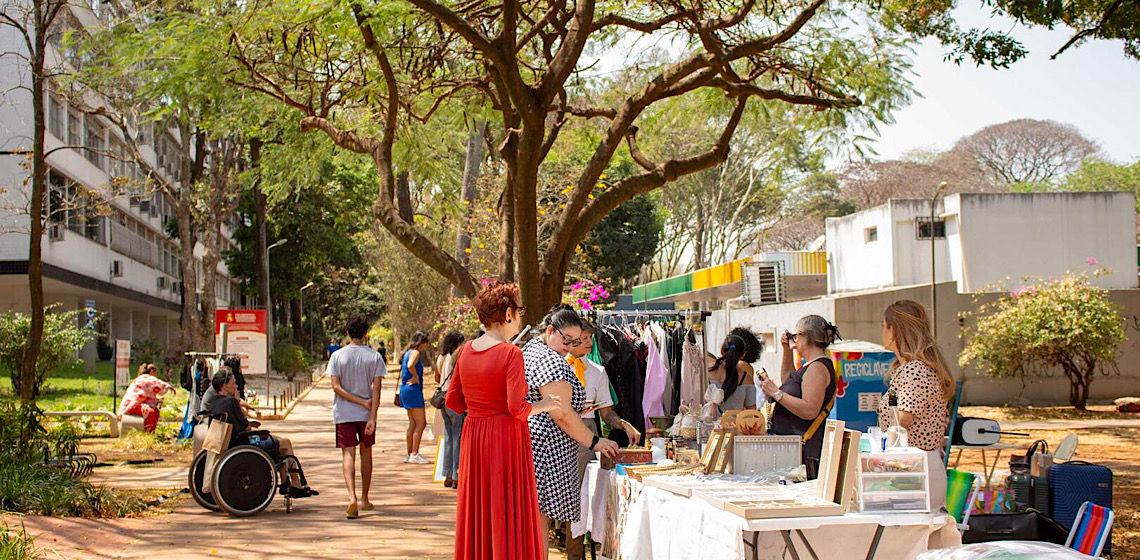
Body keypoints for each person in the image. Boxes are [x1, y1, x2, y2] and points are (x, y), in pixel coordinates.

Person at [446, 281, 562, 560]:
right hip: (505, 437)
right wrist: (544, 404)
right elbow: (517, 407)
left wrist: (479, 410)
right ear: (508, 314)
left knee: (479, 505)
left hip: (474, 436)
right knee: (505, 505)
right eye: (519, 310)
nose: (520, 316)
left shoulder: (466, 351)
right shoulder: (511, 353)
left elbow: (452, 400)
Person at [524, 304, 620, 557]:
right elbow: (562, 414)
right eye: (567, 339)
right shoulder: (549, 360)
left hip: (542, 443)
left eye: (576, 341)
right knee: (539, 517)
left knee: (537, 517)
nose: (570, 346)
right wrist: (594, 441)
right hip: (547, 447)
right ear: (550, 330)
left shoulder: (534, 350)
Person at [566, 319, 639, 560]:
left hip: (586, 435)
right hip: (557, 433)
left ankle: (577, 555)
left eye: (590, 338)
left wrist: (624, 424)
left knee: (579, 500)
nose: (589, 343)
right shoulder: (556, 366)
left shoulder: (597, 372)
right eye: (584, 338)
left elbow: (607, 413)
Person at [879, 300, 954, 508]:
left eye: (884, 326)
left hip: (915, 469)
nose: (882, 332)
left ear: (894, 330)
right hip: (910, 467)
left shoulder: (915, 370)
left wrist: (879, 455)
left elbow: (903, 419)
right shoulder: (905, 369)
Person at [207, 368, 317, 498]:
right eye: (233, 383)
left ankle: (286, 482)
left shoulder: (214, 403)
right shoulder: (230, 402)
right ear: (225, 385)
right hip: (244, 445)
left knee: (278, 440)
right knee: (286, 443)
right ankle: (296, 484)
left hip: (231, 443)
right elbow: (244, 428)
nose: (236, 386)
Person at [763, 315, 840, 478]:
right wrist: (786, 350)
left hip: (806, 453)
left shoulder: (817, 368)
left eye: (796, 335)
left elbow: (810, 409)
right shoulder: (810, 366)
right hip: (797, 450)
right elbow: (788, 381)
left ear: (806, 337)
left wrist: (777, 394)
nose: (794, 339)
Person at [328, 315, 384, 519]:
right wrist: (372, 415)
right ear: (366, 333)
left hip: (343, 413)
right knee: (366, 453)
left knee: (348, 454)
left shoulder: (338, 356)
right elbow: (377, 388)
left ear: (347, 333)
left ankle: (351, 497)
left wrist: (356, 402)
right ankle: (365, 498)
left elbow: (335, 387)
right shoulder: (374, 357)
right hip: (366, 414)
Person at [434, 330, 467, 488]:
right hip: (454, 400)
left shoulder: (441, 357)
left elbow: (437, 376)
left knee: (448, 437)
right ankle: (455, 475)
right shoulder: (457, 357)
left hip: (442, 401)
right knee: (457, 438)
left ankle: (446, 474)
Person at [707, 328, 762, 414]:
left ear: (722, 350)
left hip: (706, 424)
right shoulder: (745, 377)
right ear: (743, 355)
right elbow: (751, 412)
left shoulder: (706, 370)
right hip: (733, 425)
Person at [399, 330, 431, 464]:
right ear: (421, 342)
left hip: (405, 390)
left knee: (413, 423)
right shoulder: (416, 353)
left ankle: (409, 453)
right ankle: (415, 453)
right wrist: (416, 377)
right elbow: (410, 365)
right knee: (421, 423)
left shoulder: (407, 352)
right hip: (413, 390)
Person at [117, 362, 173, 432]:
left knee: (156, 411)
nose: (156, 374)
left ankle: (151, 431)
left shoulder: (142, 379)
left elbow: (145, 394)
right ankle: (148, 431)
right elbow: (157, 385)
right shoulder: (145, 379)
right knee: (151, 412)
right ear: (152, 371)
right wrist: (168, 386)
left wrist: (157, 399)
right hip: (132, 405)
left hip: (138, 404)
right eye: (156, 372)